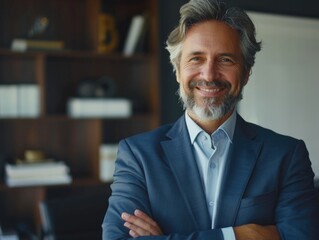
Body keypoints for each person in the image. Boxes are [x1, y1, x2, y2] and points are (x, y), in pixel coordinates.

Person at [102, 0, 319, 239]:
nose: (209, 75)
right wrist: (238, 235)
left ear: (245, 73)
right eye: (196, 58)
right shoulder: (138, 155)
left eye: (225, 59)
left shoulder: (286, 155)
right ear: (177, 70)